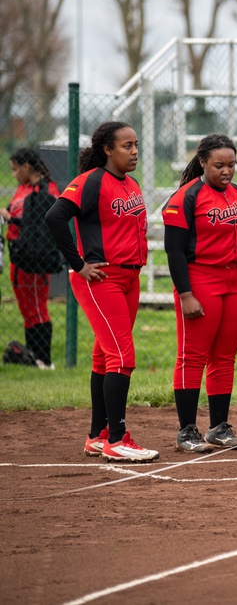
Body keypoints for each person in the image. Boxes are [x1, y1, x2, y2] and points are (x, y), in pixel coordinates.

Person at [45, 121, 158, 462]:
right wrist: (78, 264)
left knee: (104, 356)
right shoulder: (91, 181)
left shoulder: (132, 183)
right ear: (107, 150)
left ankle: (98, 435)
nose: (134, 151)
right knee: (123, 357)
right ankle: (119, 438)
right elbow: (55, 217)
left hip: (129, 278)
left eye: (136, 144)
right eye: (126, 146)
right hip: (101, 279)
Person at [162, 134, 237, 453]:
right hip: (200, 279)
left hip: (234, 281)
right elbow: (174, 251)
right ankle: (186, 431)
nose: (227, 171)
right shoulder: (186, 197)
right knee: (192, 356)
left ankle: (219, 428)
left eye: (232, 164)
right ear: (203, 162)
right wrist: (185, 293)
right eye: (219, 165)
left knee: (225, 357)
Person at [2, 148, 60, 368]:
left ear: (26, 167)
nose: (14, 174)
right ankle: (32, 357)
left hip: (34, 258)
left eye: (15, 169)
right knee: (26, 309)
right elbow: (16, 210)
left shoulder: (46, 190)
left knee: (37, 307)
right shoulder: (23, 188)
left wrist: (13, 220)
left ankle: (44, 360)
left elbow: (40, 226)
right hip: (17, 254)